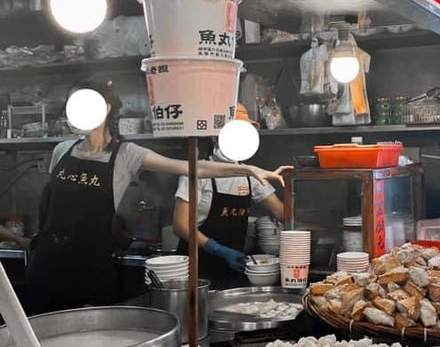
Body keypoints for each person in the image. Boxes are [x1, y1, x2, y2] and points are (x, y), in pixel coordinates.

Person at [26, 83, 288, 315]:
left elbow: (189, 167)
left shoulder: (127, 154)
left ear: (104, 107)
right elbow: (48, 204)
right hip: (49, 264)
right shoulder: (62, 151)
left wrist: (246, 169)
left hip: (91, 266)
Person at [173, 104, 285, 289]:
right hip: (198, 269)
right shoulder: (196, 171)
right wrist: (218, 249)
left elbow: (281, 213)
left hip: (233, 269)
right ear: (215, 137)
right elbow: (180, 225)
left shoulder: (251, 175)